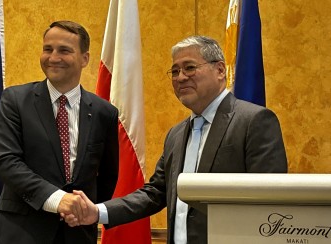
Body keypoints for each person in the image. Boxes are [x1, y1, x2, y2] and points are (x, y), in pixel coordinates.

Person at [64, 35, 288, 244]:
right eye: (174, 71)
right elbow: (155, 193)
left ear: (220, 70)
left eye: (190, 67)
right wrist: (98, 212)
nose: (180, 77)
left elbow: (268, 200)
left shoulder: (254, 121)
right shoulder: (176, 134)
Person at [0, 20, 119, 244]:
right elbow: (7, 162)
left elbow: (107, 177)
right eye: (48, 49)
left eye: (64, 50)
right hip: (18, 234)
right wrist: (58, 200)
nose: (53, 57)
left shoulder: (104, 113)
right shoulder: (15, 100)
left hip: (76, 235)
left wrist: (81, 210)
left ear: (84, 58)